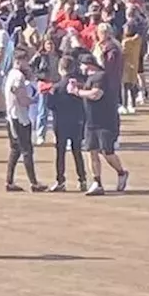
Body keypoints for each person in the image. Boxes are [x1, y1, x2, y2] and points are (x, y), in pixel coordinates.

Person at [74, 54, 130, 196]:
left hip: (106, 121)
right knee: (91, 151)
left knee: (107, 151)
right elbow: (90, 89)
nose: (80, 67)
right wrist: (79, 86)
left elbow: (96, 94)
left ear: (89, 64)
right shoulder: (91, 79)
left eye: (81, 64)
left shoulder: (101, 76)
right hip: (91, 122)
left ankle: (121, 172)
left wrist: (77, 92)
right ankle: (97, 182)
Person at [2, 49, 45, 192]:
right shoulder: (18, 77)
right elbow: (22, 99)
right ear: (19, 61)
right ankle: (34, 183)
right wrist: (34, 99)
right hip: (20, 117)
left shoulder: (11, 75)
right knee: (27, 150)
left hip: (11, 116)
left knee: (15, 150)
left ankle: (9, 181)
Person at [47, 56, 88, 192]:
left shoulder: (56, 87)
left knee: (60, 152)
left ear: (60, 69)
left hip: (61, 122)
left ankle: (60, 180)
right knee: (77, 151)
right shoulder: (78, 86)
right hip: (76, 121)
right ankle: (82, 179)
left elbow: (50, 105)